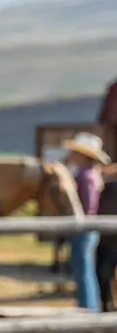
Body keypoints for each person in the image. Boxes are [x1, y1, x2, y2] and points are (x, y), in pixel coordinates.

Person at [62, 131, 107, 311]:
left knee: (83, 270)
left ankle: (87, 307)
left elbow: (87, 206)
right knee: (84, 269)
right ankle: (87, 306)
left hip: (83, 230)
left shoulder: (85, 176)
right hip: (86, 229)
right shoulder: (88, 174)